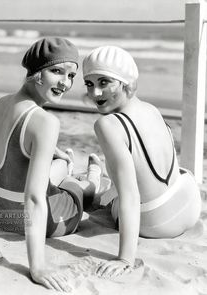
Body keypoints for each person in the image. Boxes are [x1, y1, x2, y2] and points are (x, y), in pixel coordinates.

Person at [0, 37, 102, 292]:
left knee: (60, 161)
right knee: (73, 185)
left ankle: (66, 164)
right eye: (57, 71)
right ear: (36, 72)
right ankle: (91, 183)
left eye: (71, 75)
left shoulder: (1, 104)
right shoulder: (44, 122)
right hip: (41, 221)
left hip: (0, 211)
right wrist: (37, 267)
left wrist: (50, 149)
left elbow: (9, 144)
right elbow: (35, 199)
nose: (65, 83)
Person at [82, 45, 202, 278]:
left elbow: (131, 195)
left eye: (104, 82)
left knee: (112, 195)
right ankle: (96, 177)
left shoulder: (107, 125)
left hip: (156, 223)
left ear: (126, 82)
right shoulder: (151, 109)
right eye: (89, 84)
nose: (95, 93)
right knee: (128, 178)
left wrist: (125, 258)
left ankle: (91, 180)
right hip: (190, 203)